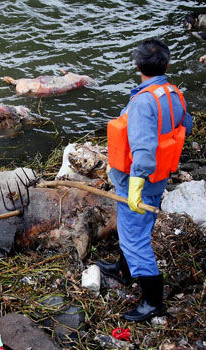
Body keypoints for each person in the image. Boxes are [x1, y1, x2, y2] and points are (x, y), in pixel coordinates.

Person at [100, 38, 193, 322]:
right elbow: (185, 125)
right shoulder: (173, 93)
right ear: (166, 64)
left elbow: (143, 154)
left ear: (138, 66)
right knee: (134, 232)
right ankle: (123, 270)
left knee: (136, 241)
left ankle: (153, 301)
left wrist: (135, 188)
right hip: (159, 179)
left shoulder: (143, 103)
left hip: (137, 180)